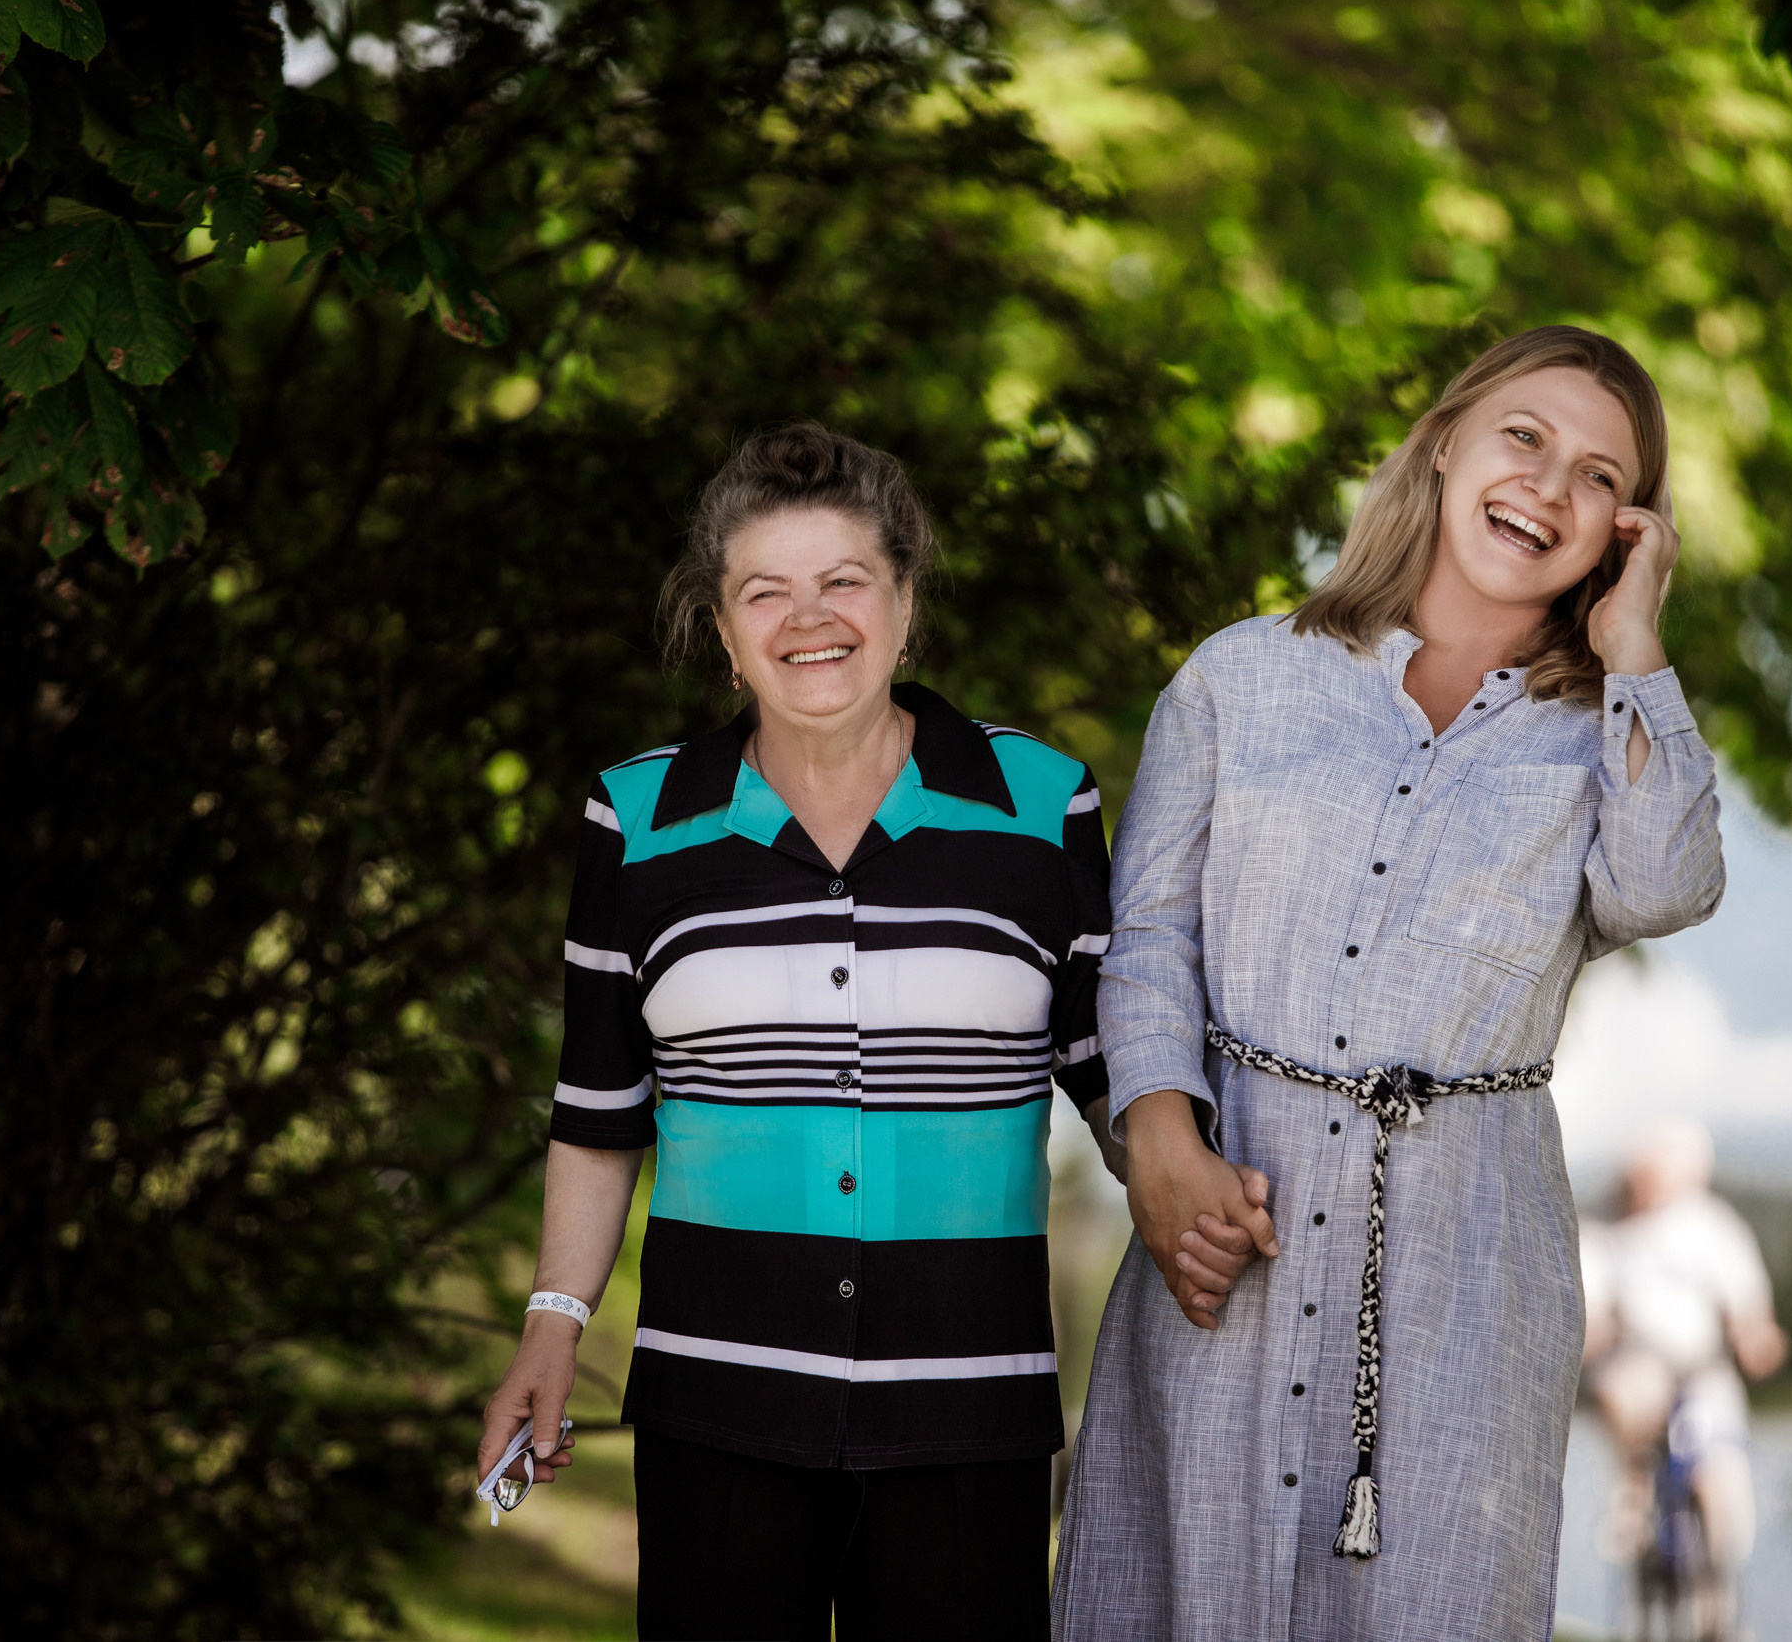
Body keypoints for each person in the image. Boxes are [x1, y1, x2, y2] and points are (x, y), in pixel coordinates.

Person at [1053, 325, 1728, 1640]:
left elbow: (1666, 884)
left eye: (1600, 476)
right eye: (1523, 436)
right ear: (1442, 446)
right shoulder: (1242, 677)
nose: (1548, 485)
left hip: (1467, 1270)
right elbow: (1147, 943)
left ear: (1626, 531)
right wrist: (1160, 1147)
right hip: (1222, 1228)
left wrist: (1637, 647)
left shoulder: (1605, 737)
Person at [474, 422, 1119, 1642]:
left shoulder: (1043, 803)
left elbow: (1113, 1082)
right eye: (764, 590)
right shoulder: (635, 816)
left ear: (904, 603)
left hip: (968, 1410)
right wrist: (551, 1326)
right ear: (723, 633)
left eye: (843, 580)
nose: (807, 617)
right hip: (713, 1406)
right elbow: (599, 1114)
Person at [1580, 1118, 1788, 1582]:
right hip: (1638, 1365)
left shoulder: (1709, 1225)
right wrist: (1588, 1339)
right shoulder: (1602, 1232)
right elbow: (1591, 1303)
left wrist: (1756, 1335)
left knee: (1720, 1470)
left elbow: (1746, 1297)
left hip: (1704, 1368)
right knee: (1621, 1395)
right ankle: (1634, 1491)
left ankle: (1718, 1573)